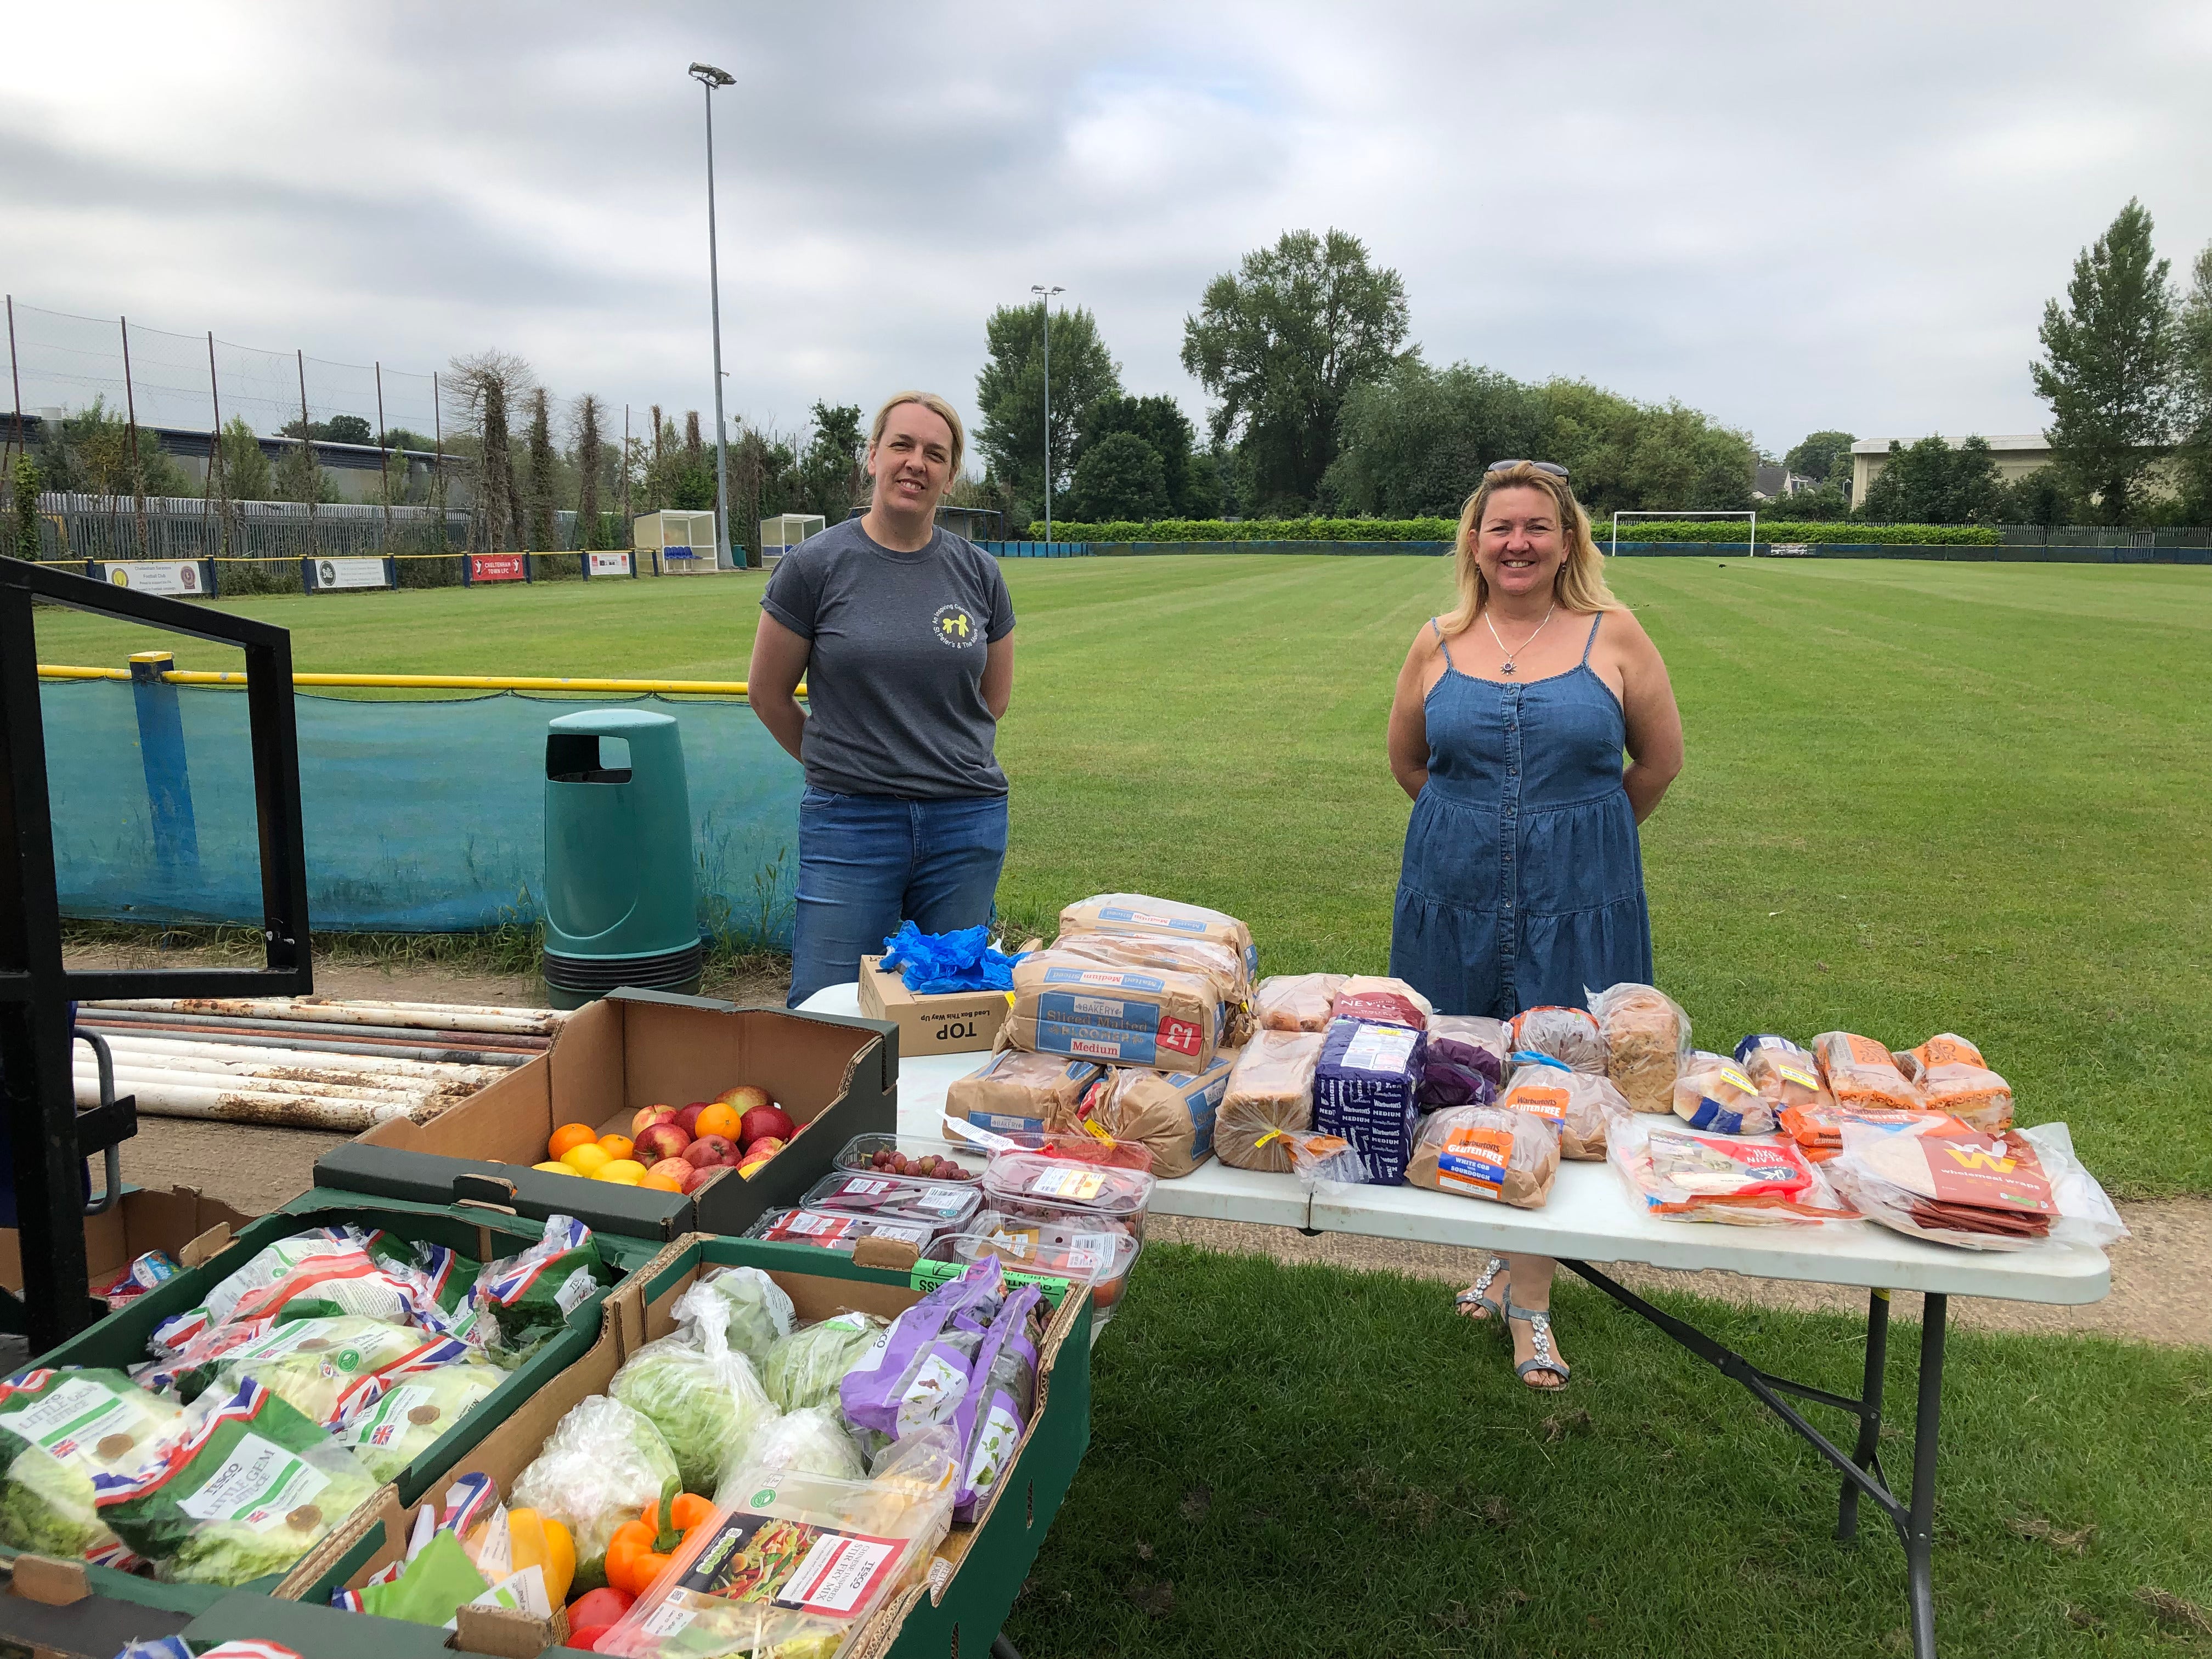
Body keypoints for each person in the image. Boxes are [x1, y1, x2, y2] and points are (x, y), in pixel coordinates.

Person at [1385, 460, 1683, 1390]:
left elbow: (1659, 761)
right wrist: (1474, 831)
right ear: (1473, 540)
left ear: (1567, 540)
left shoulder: (1614, 633)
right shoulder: (1437, 639)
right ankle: (1504, 1245)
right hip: (1454, 896)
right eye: (1499, 526)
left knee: (1558, 1087)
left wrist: (1579, 840)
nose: (1517, 543)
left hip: (1578, 900)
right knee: (1462, 1081)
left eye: (1536, 527)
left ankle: (1531, 1303)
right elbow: (1407, 760)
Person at [749, 392, 1016, 1007]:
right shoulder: (816, 565)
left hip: (964, 823)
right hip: (852, 825)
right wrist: (841, 764)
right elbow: (767, 695)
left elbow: (992, 700)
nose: (916, 463)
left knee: (952, 1010)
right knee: (830, 1010)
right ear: (872, 457)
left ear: (950, 477)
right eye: (902, 445)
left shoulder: (979, 573)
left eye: (935, 454)